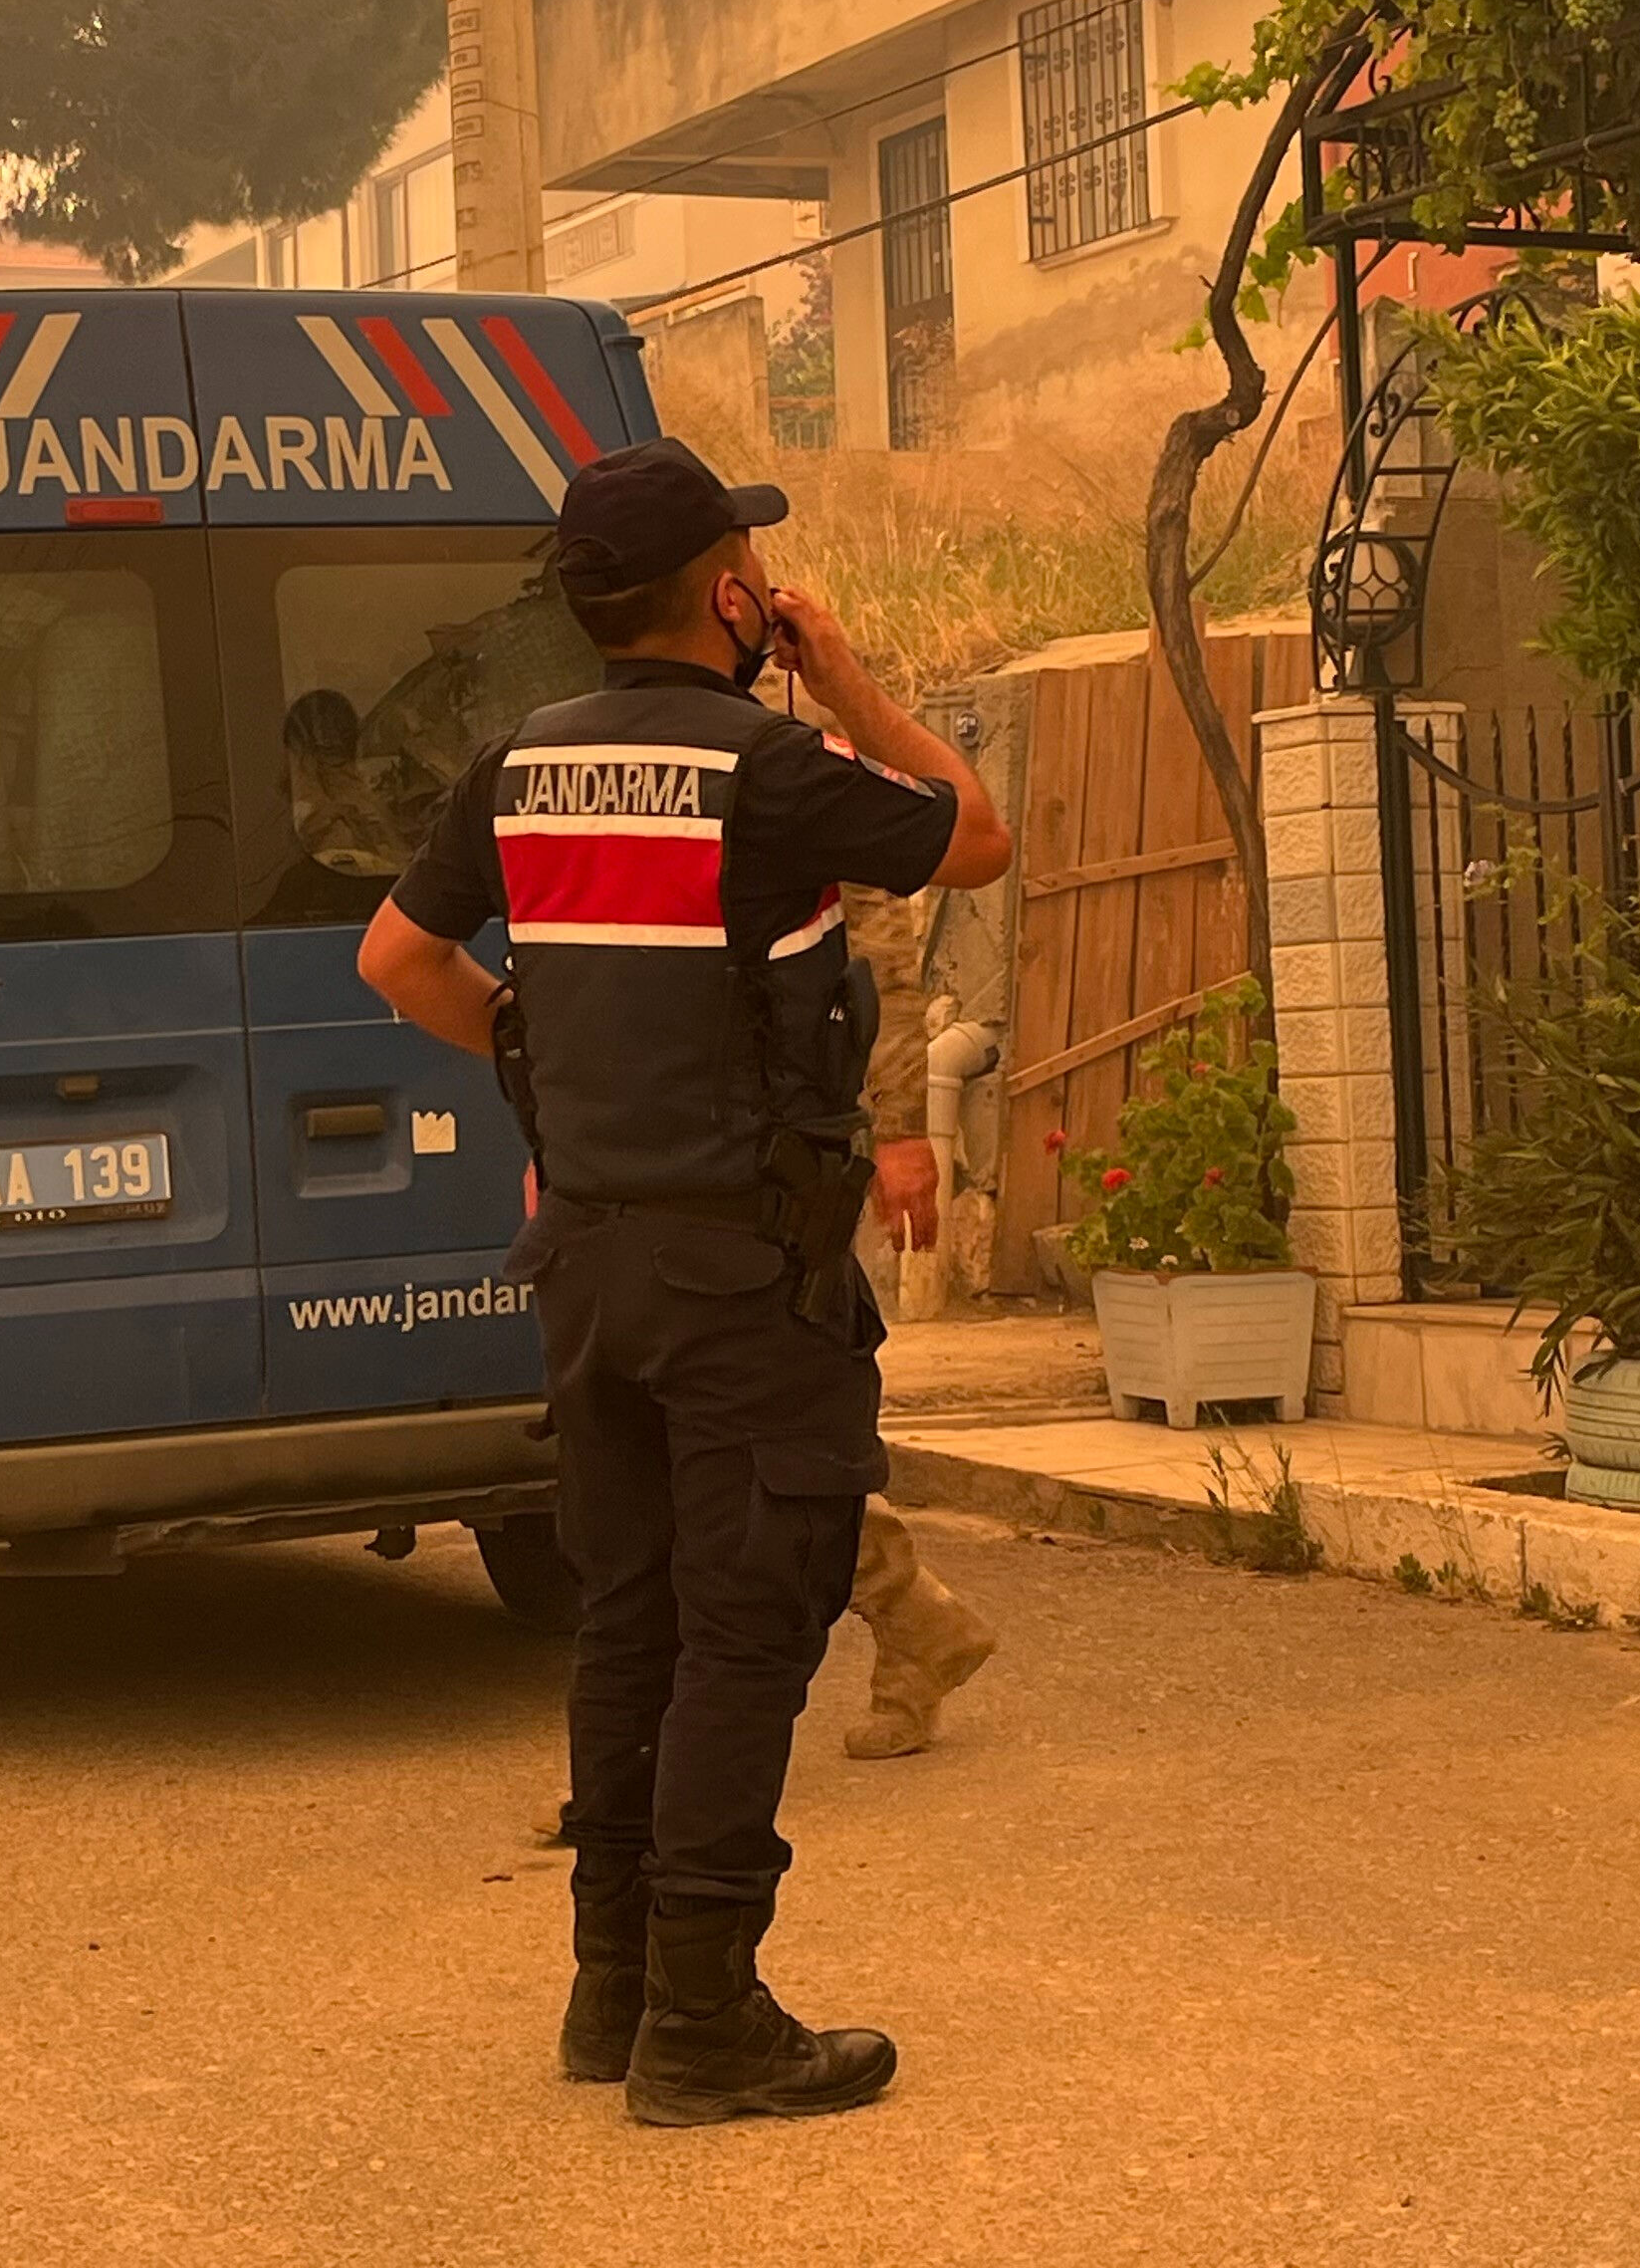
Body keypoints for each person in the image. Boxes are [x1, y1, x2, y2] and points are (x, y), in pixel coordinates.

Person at [360, 437, 1013, 2128]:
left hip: (585, 1262)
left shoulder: (516, 768)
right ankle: (709, 2020)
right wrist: (848, 679)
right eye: (750, 568)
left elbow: (395, 955)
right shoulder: (766, 770)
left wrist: (528, 1041)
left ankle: (615, 1986)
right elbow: (979, 835)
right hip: (744, 1275)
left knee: (629, 1624)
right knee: (746, 1629)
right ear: (734, 596)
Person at [837, 882, 1001, 1761]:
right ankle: (916, 1625)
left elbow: (879, 965)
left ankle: (912, 1626)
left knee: (775, 1429)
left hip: (796, 1148)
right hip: (684, 1140)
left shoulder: (805, 752)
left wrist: (899, 1130)